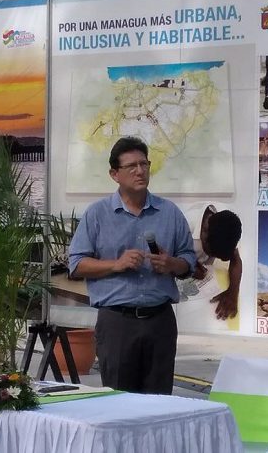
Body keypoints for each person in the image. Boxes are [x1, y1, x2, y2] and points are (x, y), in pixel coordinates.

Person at [68, 137, 195, 394]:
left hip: (160, 321)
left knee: (159, 402)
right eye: (131, 166)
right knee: (119, 401)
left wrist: (172, 264)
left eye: (144, 164)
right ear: (114, 174)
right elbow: (77, 264)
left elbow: (189, 262)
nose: (140, 171)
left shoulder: (169, 213)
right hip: (117, 322)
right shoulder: (97, 214)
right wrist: (116, 264)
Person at [178, 203, 242, 321]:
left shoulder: (229, 223)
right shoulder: (183, 225)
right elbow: (164, 256)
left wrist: (233, 293)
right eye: (212, 253)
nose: (212, 257)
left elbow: (236, 259)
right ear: (204, 234)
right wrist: (189, 267)